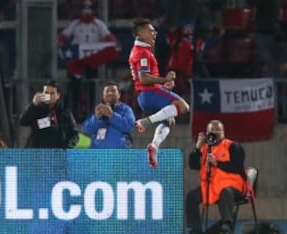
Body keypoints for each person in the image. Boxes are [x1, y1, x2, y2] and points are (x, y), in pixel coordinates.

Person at [128, 18, 190, 168]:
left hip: (146, 95)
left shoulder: (141, 50)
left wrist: (163, 83)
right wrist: (164, 80)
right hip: (150, 93)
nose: (154, 32)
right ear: (141, 33)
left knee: (169, 120)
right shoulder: (142, 52)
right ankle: (146, 121)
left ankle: (154, 146)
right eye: (151, 30)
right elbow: (144, 78)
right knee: (183, 106)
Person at [57, 0, 118, 121]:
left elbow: (110, 38)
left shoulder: (98, 24)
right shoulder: (75, 24)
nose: (86, 11)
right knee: (75, 86)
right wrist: (61, 47)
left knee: (92, 85)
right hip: (77, 61)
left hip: (92, 60)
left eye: (89, 8)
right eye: (84, 8)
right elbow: (61, 38)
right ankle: (74, 112)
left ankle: (93, 111)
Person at [186, 120, 247, 234]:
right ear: (208, 133)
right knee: (192, 197)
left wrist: (217, 163)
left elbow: (238, 167)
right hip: (211, 187)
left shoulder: (233, 146)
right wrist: (197, 147)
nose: (215, 132)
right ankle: (195, 231)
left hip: (233, 185)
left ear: (223, 132)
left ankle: (226, 227)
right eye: (212, 130)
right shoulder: (205, 148)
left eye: (218, 130)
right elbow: (193, 165)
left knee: (226, 192)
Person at [19, 80, 79, 148]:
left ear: (58, 95)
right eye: (46, 93)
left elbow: (74, 134)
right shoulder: (36, 110)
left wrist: (67, 148)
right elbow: (23, 121)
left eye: (52, 93)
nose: (49, 96)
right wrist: (33, 104)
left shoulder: (65, 113)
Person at [82, 82, 135, 148]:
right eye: (107, 91)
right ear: (103, 96)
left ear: (119, 95)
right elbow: (86, 130)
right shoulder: (97, 109)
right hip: (99, 155)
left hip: (119, 154)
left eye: (113, 91)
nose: (110, 93)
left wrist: (112, 115)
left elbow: (129, 127)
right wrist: (96, 118)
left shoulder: (126, 109)